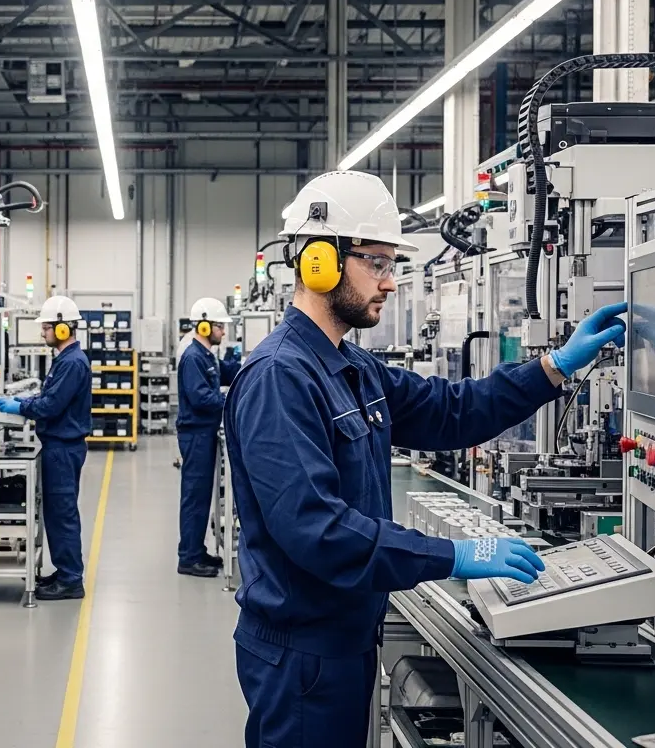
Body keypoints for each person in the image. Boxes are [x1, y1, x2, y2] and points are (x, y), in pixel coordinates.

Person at [225, 171, 626, 748]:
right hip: (302, 656)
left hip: (342, 639)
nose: (390, 282)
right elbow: (317, 531)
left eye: (392, 265)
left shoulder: (353, 368)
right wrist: (452, 555)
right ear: (319, 263)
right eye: (377, 263)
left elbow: (452, 411)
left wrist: (554, 367)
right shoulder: (279, 377)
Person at [0, 295, 92, 601]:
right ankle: (64, 572)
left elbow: (51, 405)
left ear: (64, 328)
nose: (42, 332)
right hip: (58, 446)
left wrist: (20, 406)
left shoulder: (72, 362)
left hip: (63, 447)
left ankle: (71, 580)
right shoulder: (65, 360)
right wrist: (26, 401)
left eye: (47, 327)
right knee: (57, 513)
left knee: (62, 514)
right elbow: (50, 399)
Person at [175, 296, 239, 578]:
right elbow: (201, 398)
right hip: (195, 434)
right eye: (219, 327)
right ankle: (188, 559)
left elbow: (226, 373)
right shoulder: (193, 357)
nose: (223, 332)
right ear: (203, 327)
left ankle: (196, 550)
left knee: (201, 497)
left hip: (204, 432)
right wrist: (231, 402)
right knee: (195, 496)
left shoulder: (206, 355)